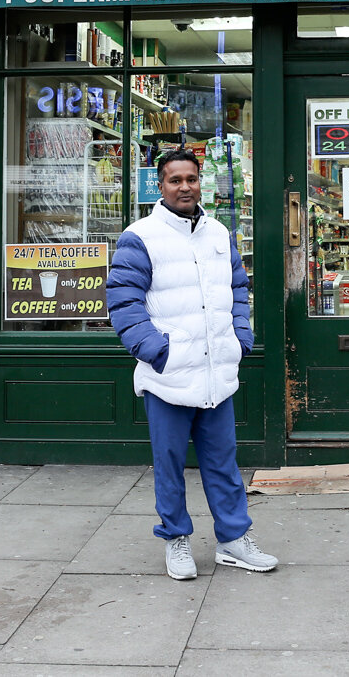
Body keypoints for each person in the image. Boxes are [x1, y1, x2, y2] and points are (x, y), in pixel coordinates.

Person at [108, 147, 277, 581]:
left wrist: (240, 338)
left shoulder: (219, 233)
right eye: (175, 180)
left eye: (191, 179)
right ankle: (176, 538)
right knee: (168, 464)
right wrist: (157, 351)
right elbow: (124, 304)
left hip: (216, 372)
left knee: (223, 461)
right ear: (160, 186)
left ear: (200, 182)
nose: (185, 187)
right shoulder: (140, 236)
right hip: (170, 374)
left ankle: (233, 540)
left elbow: (239, 289)